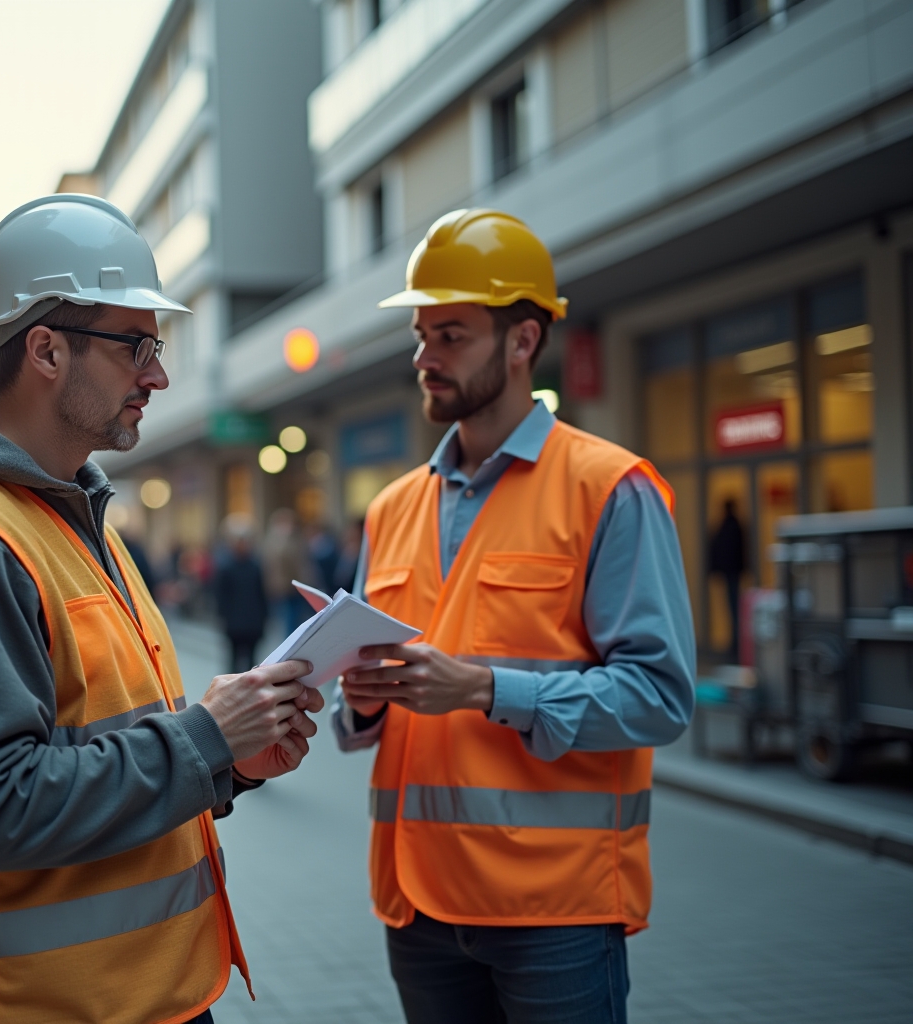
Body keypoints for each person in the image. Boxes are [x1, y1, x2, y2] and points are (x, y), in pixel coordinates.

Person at [0, 194, 322, 1023]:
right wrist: (205, 736)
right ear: (45, 350)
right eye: (135, 346)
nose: (156, 374)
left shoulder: (81, 527)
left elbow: (101, 747)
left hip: (146, 999)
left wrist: (232, 760)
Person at [332, 209, 696, 1024]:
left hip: (554, 912)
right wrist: (358, 700)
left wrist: (490, 689)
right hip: (417, 908)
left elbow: (661, 698)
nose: (425, 358)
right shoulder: (392, 508)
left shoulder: (609, 488)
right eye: (421, 336)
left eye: (451, 334)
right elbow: (359, 724)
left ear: (523, 341)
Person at [213, 515, 268, 673]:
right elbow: (220, 596)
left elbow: (262, 593)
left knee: (252, 661)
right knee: (233, 661)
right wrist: (223, 618)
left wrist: (264, 617)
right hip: (234, 624)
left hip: (253, 622)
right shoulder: (225, 567)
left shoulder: (255, 565)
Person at [262, 507, 313, 636]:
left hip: (294, 587)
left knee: (294, 620)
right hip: (286, 588)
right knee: (289, 621)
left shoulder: (293, 539)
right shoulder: (278, 540)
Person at [709, 499, 747, 661]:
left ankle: (737, 645)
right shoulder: (731, 525)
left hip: (731, 572)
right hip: (730, 572)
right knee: (732, 609)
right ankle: (735, 644)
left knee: (734, 610)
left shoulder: (731, 526)